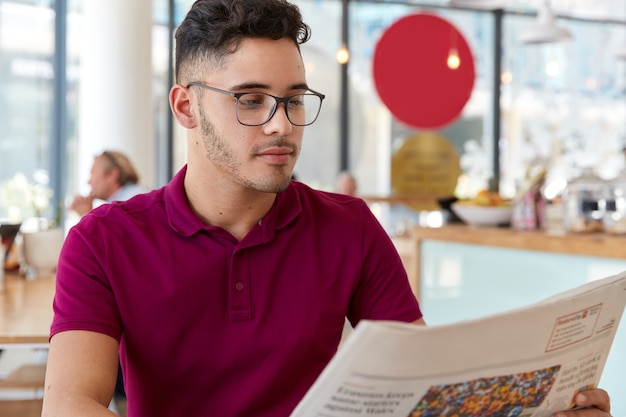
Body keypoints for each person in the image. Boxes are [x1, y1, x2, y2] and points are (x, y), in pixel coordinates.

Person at [41, 1, 613, 417]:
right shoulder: (103, 239)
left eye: (293, 100)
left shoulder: (350, 227)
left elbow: (422, 387)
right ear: (186, 107)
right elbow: (68, 403)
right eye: (252, 100)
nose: (281, 124)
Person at [69, 150, 148, 217]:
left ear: (112, 175)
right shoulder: (125, 199)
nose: (89, 182)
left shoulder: (132, 201)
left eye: (92, 173)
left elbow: (118, 234)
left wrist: (87, 215)